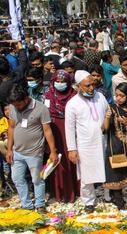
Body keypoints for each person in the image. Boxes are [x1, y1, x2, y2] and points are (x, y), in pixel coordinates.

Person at [6, 84, 58, 213]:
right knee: (17, 179)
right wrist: (9, 149)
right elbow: (11, 128)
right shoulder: (13, 107)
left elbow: (47, 131)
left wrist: (53, 151)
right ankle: (26, 204)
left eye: (18, 104)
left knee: (37, 179)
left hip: (34, 152)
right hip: (17, 151)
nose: (16, 107)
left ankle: (40, 204)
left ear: (26, 98)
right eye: (15, 105)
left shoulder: (40, 108)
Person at [65, 70, 109, 213]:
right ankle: (89, 201)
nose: (91, 88)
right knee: (86, 174)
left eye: (92, 85)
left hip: (103, 141)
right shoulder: (72, 104)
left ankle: (109, 195)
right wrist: (72, 149)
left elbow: (108, 114)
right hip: (85, 144)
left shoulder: (100, 97)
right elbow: (69, 129)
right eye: (87, 86)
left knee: (107, 169)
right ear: (78, 86)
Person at [44, 70, 79, 203]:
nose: (59, 84)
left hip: (70, 128)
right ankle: (58, 192)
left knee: (70, 157)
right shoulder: (48, 95)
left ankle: (73, 191)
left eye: (63, 82)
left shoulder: (74, 96)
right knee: (56, 158)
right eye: (57, 82)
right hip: (53, 128)